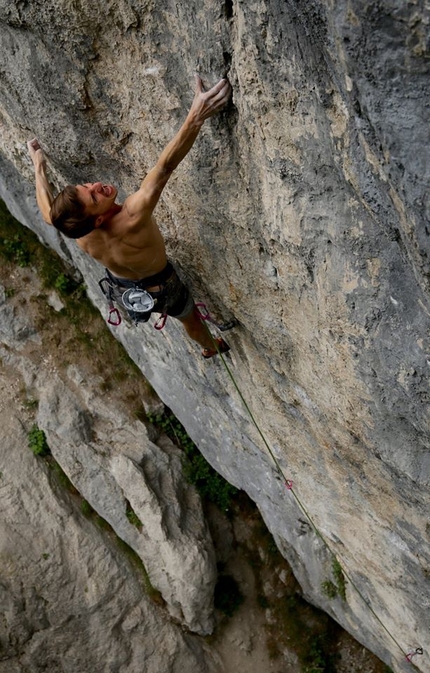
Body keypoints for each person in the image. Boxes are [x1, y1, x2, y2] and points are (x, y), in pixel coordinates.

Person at [28, 75, 232, 358]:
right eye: (94, 197)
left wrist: (38, 168)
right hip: (164, 285)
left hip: (125, 289)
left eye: (86, 186)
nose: (96, 186)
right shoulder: (133, 215)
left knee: (181, 317)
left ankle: (210, 349)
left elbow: (49, 213)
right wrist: (196, 115)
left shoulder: (77, 230)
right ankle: (211, 347)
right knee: (190, 318)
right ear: (98, 219)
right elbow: (164, 168)